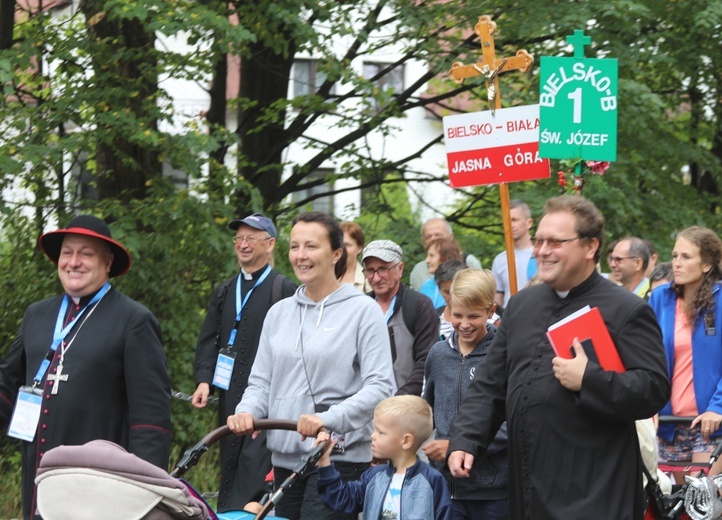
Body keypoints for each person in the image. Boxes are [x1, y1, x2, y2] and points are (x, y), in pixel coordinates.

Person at [447, 195, 670, 519]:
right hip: (529, 483)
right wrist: (466, 438)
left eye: (555, 241)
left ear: (590, 246)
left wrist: (589, 379)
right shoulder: (523, 304)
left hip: (594, 489)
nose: (541, 250)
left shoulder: (626, 309)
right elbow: (490, 385)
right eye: (539, 240)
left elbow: (654, 389)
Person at [0, 215, 171, 519]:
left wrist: (147, 493)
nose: (74, 262)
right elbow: (6, 388)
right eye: (67, 252)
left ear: (107, 263)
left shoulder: (133, 321)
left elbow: (151, 420)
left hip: (101, 489)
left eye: (86, 254)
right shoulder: (38, 315)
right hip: (40, 483)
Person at [227, 211, 394, 520]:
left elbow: (381, 387)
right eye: (294, 246)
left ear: (336, 253)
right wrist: (246, 410)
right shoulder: (278, 313)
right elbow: (261, 382)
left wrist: (328, 419)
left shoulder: (363, 311)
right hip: (284, 460)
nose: (300, 256)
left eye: (311, 246)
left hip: (337, 460)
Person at [191, 212, 296, 511]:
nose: (243, 244)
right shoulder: (224, 290)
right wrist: (203, 380)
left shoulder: (283, 289)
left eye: (252, 238)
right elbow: (209, 338)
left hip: (267, 398)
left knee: (256, 465)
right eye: (239, 238)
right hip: (228, 393)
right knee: (230, 459)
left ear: (270, 244)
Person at [423, 269, 509, 519]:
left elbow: (513, 420)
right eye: (458, 315)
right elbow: (427, 411)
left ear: (491, 311)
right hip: (445, 488)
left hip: (493, 491)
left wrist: (458, 445)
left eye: (474, 316)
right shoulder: (437, 354)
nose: (465, 324)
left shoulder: (503, 355)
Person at [649, 226, 722, 476]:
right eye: (675, 255)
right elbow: (648, 355)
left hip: (710, 424)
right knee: (670, 506)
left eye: (686, 257)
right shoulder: (660, 297)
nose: (677, 264)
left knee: (701, 503)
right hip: (667, 423)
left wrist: (718, 407)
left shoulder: (720, 300)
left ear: (707, 264)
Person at [314, 395, 453, 520]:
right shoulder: (373, 476)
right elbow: (340, 499)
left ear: (406, 441)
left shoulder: (432, 480)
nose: (372, 436)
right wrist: (324, 462)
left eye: (380, 432)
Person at [362, 239, 438, 396]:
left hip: (408, 407)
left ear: (400, 268)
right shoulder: (360, 308)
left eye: (383, 269)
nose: (376, 278)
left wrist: (400, 401)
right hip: (365, 408)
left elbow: (427, 360)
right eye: (370, 270)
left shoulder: (419, 305)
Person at [409, 218, 481, 291]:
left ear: (451, 237)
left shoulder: (469, 262)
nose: (433, 239)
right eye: (428, 237)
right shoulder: (418, 271)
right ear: (423, 242)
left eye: (438, 235)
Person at [491, 200, 536, 310]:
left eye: (514, 220)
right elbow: (497, 297)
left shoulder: (542, 254)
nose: (510, 225)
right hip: (510, 317)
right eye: (506, 221)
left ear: (529, 223)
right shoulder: (500, 260)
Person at [419, 237, 463, 309]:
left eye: (431, 256)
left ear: (446, 257)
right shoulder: (427, 286)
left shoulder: (465, 283)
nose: (427, 260)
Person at [433, 259, 467, 340]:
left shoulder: (483, 314)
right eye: (447, 292)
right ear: (439, 290)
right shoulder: (434, 318)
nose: (453, 297)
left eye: (457, 291)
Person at [339, 221, 371, 293]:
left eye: (347, 245)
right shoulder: (322, 277)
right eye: (339, 245)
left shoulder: (368, 280)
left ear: (359, 248)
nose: (342, 250)